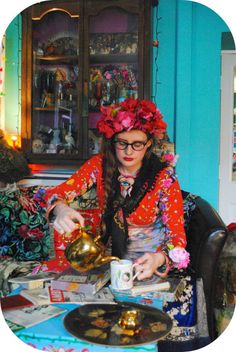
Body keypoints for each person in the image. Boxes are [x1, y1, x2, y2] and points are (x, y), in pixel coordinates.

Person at [44, 98, 190, 277]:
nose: (129, 152)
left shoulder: (163, 177)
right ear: (113, 141)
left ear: (149, 143)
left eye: (137, 144)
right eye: (122, 143)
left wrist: (158, 259)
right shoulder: (99, 165)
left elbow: (177, 237)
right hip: (108, 263)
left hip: (147, 266)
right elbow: (56, 193)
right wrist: (60, 209)